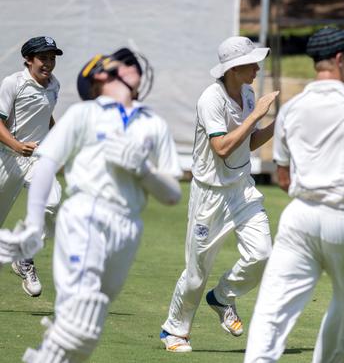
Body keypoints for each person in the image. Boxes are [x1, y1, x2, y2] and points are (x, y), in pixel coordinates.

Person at [1, 47, 183, 362]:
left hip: (128, 229)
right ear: (98, 81)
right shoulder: (84, 114)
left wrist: (144, 170)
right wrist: (32, 223)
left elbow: (172, 195)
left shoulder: (153, 123)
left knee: (86, 331)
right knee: (80, 321)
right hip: (86, 216)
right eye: (117, 69)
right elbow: (45, 164)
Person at [244, 27, 344, 363]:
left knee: (272, 307)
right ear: (340, 59)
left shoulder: (290, 110)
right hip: (342, 217)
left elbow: (284, 177)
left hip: (299, 216)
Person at [160, 36, 279, 353]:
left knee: (263, 254)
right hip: (210, 196)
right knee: (196, 275)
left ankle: (223, 296)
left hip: (242, 188)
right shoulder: (210, 99)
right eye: (252, 63)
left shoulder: (249, 93)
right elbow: (222, 147)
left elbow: (248, 143)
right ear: (234, 68)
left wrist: (279, 124)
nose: (257, 67)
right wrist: (257, 116)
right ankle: (175, 331)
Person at [0, 36, 64, 297]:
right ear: (28, 59)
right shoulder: (13, 83)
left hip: (38, 159)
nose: (48, 63)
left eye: (52, 58)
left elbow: (45, 113)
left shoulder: (54, 85)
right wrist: (16, 145)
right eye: (43, 58)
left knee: (52, 201)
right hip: (7, 158)